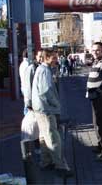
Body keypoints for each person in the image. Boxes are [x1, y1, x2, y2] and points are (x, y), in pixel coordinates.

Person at [32, 49, 73, 178]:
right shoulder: (44, 71)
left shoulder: (42, 69)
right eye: (54, 58)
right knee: (53, 137)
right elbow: (46, 91)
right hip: (46, 109)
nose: (56, 60)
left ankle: (46, 162)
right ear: (47, 58)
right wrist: (56, 104)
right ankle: (60, 166)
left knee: (44, 137)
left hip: (41, 109)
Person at [19, 49, 30, 115]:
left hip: (23, 86)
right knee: (28, 105)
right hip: (27, 87)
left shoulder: (22, 64)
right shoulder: (28, 64)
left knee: (26, 103)